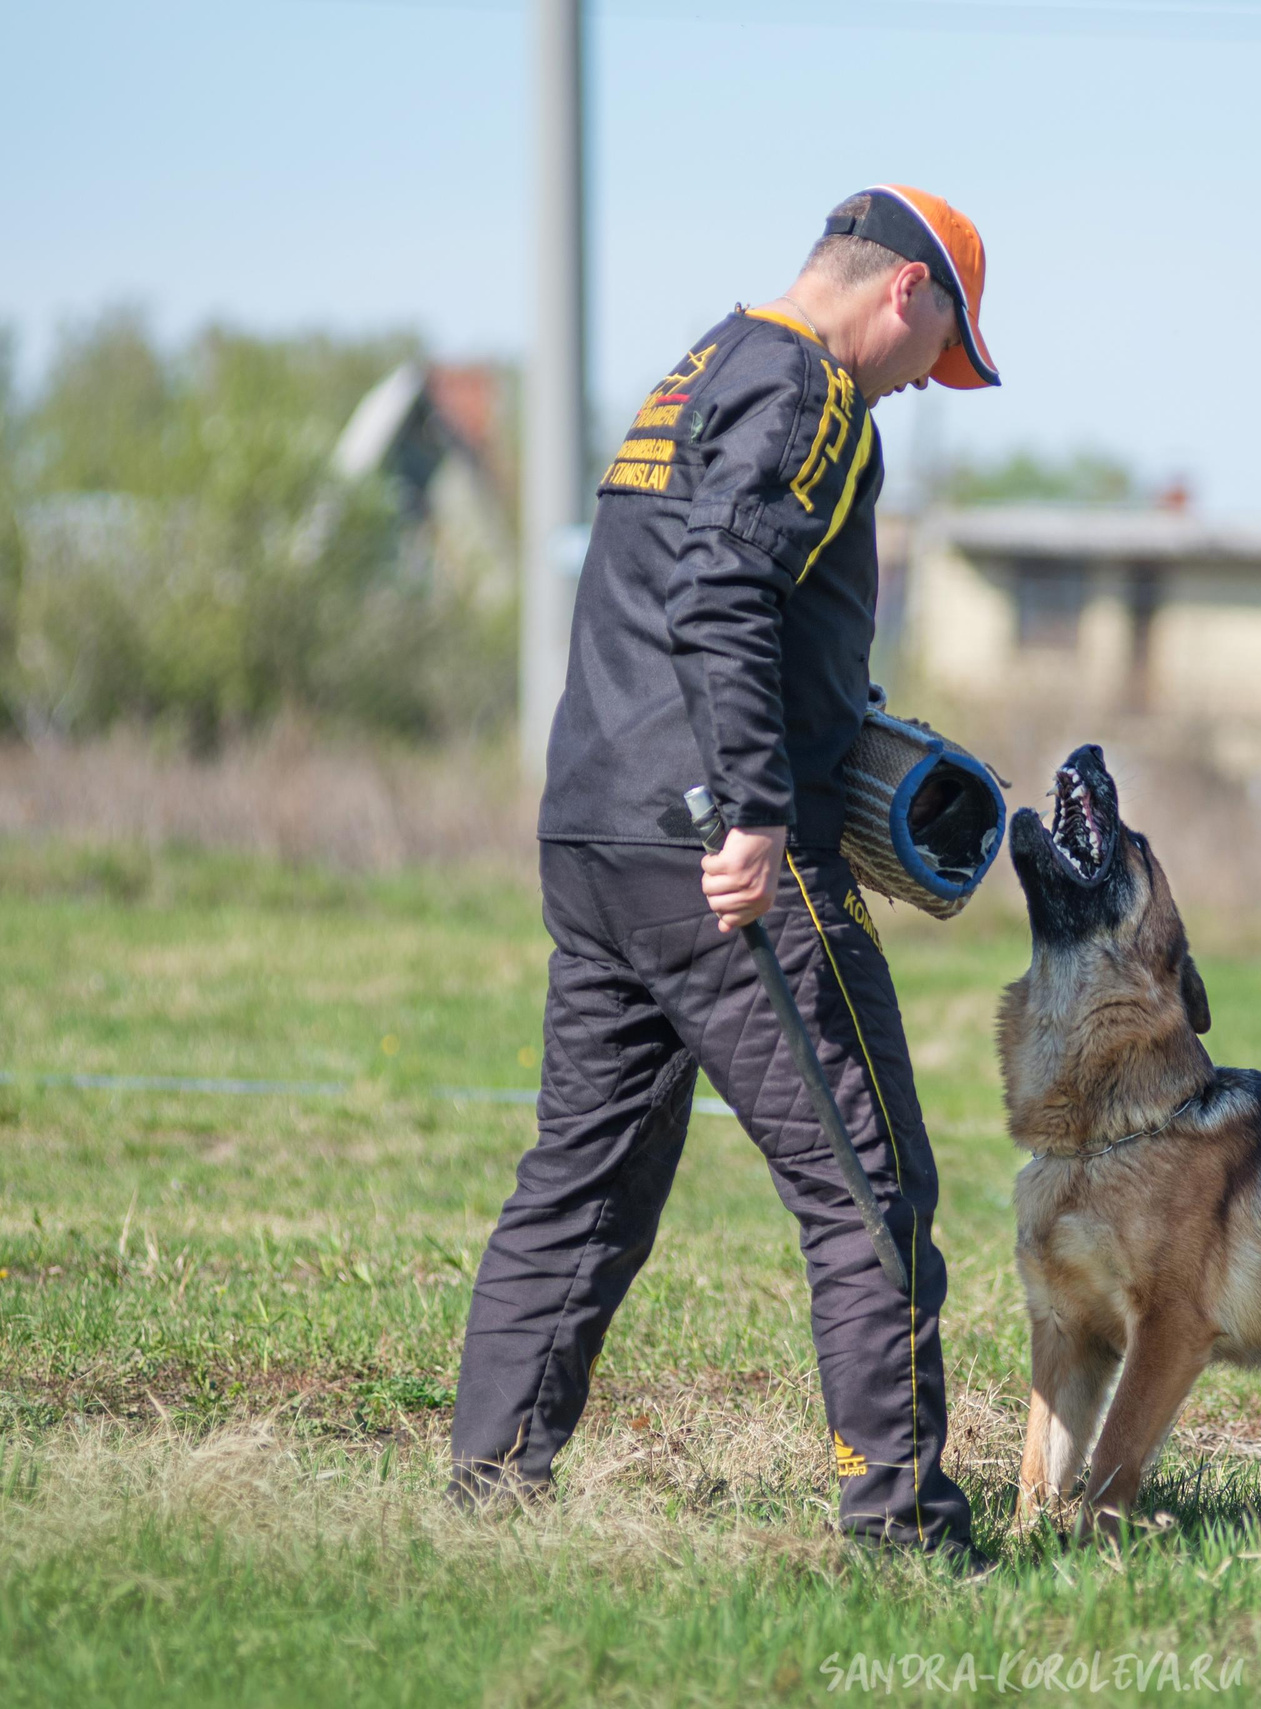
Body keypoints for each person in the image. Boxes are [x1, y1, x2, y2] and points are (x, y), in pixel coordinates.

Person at [450, 186, 1002, 1565]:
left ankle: (489, 1492)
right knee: (871, 1185)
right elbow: (720, 589)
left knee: (584, 1180)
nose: (913, 385)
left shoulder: (697, 368)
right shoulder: (811, 390)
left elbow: (691, 588)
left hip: (598, 837)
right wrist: (758, 808)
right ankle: (904, 1527)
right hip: (720, 860)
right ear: (904, 295)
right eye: (930, 355)